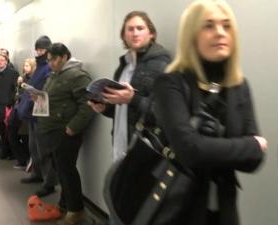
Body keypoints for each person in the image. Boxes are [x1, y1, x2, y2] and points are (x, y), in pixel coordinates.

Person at [151, 1, 267, 224]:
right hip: (176, 210)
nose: (220, 33)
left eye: (226, 26)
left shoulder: (238, 87)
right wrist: (248, 145)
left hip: (224, 211)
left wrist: (213, 146)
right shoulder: (170, 84)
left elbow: (254, 161)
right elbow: (190, 150)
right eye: (208, 26)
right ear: (191, 35)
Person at [88, 11, 171, 162]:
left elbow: (167, 114)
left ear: (151, 33)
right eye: (130, 29)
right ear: (124, 36)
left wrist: (133, 99)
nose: (135, 33)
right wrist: (105, 108)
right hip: (121, 147)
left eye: (140, 28)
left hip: (147, 152)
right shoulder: (124, 66)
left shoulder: (163, 63)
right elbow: (122, 110)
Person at [35, 43, 95, 225]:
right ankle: (64, 204)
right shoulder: (55, 75)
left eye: (53, 59)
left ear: (64, 57)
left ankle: (76, 210)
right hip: (53, 130)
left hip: (65, 131)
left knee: (67, 171)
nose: (50, 63)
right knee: (61, 170)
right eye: (48, 60)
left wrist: (73, 127)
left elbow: (88, 103)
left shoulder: (77, 76)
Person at [20, 36, 58, 198]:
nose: (39, 52)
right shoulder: (40, 67)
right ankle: (37, 174)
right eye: (37, 49)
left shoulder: (47, 68)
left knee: (44, 151)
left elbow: (48, 90)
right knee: (33, 147)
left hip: (42, 115)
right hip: (33, 114)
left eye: (42, 49)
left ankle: (49, 183)